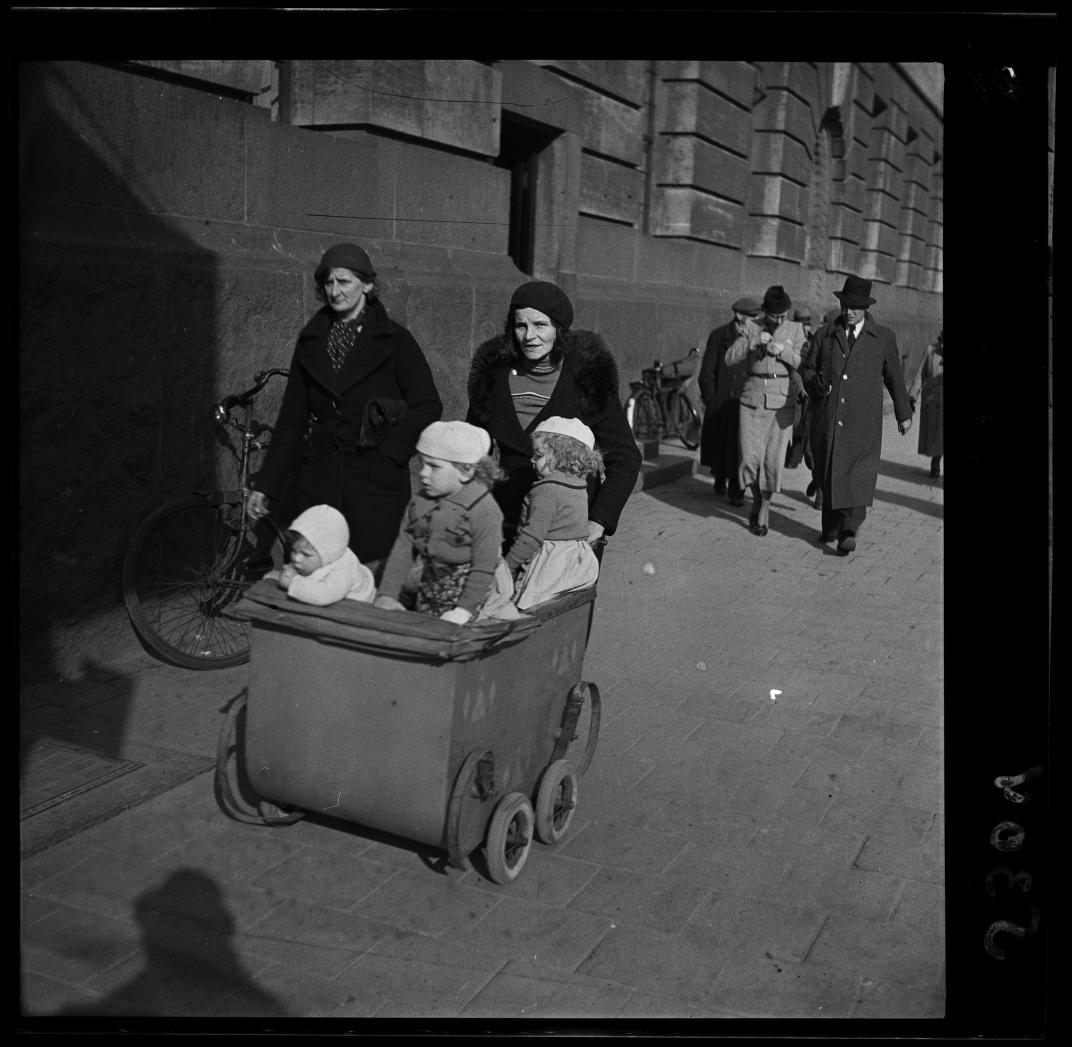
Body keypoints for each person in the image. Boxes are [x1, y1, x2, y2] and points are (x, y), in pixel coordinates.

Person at [245, 243, 443, 572]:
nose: (335, 291)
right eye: (328, 282)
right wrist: (267, 485)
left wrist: (390, 453)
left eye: (344, 281)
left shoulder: (395, 340)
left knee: (369, 572)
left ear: (367, 285)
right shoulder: (311, 341)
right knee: (316, 570)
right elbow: (292, 418)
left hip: (375, 482)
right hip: (320, 480)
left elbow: (427, 405)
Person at [466, 280, 642, 551]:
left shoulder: (588, 377)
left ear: (558, 329)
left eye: (540, 325)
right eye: (521, 325)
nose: (529, 336)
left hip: (569, 528)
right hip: (508, 521)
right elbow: (474, 449)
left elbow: (626, 457)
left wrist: (599, 520)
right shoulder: (492, 374)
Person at [800, 275, 914, 555]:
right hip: (830, 417)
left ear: (866, 308)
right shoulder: (825, 335)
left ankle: (849, 530)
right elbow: (807, 369)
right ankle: (831, 527)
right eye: (845, 305)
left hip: (863, 421)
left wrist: (903, 413)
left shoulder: (883, 337)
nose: (848, 311)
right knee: (829, 472)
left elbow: (894, 376)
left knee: (857, 475)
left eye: (855, 307)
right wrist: (815, 384)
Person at [373, 421, 504, 625]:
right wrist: (388, 594)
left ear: (466, 471)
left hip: (471, 589)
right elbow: (404, 546)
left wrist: (463, 611)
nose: (423, 473)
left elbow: (484, 566)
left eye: (434, 467)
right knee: (424, 623)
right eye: (423, 463)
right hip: (430, 579)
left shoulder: (484, 509)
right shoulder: (421, 501)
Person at [725, 285, 808, 536]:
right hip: (751, 400)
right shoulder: (752, 327)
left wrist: (784, 352)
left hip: (781, 403)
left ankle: (763, 508)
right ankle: (757, 497)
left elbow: (804, 363)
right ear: (765, 312)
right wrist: (752, 342)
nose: (779, 320)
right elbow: (729, 358)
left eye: (783, 316)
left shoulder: (796, 330)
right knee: (749, 459)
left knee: (773, 461)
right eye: (774, 316)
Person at [505, 416, 603, 610]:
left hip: (549, 563)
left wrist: (507, 566)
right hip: (576, 560)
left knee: (528, 610)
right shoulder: (578, 485)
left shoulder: (546, 489)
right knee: (559, 609)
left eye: (538, 455)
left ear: (562, 456)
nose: (532, 460)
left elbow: (531, 536)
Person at [698, 296, 760, 506]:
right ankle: (719, 477)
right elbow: (707, 371)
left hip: (745, 402)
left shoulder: (758, 339)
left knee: (742, 449)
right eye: (752, 317)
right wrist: (711, 399)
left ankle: (737, 491)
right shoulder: (719, 336)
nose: (756, 321)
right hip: (721, 402)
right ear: (740, 316)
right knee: (721, 445)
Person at [272, 504, 375, 606]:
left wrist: (293, 584)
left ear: (328, 555)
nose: (296, 558)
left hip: (358, 604)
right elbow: (292, 569)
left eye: (306, 555)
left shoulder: (344, 570)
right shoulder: (307, 559)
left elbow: (323, 596)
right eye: (294, 551)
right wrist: (287, 572)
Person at [785, 306, 814, 470]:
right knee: (795, 423)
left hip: (808, 386)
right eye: (801, 324)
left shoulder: (814, 340)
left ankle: (799, 456)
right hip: (793, 385)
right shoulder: (789, 339)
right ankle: (793, 455)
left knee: (805, 423)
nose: (804, 327)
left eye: (807, 324)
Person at [913, 330, 944, 477]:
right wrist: (912, 396)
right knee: (935, 433)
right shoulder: (930, 351)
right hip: (932, 401)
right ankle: (936, 461)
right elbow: (920, 375)